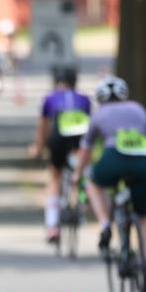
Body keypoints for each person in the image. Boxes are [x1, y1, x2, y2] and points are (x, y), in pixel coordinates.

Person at [73, 76, 146, 292]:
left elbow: (86, 150)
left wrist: (77, 174)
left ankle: (104, 224)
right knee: (144, 219)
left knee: (93, 182)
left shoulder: (98, 114)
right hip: (144, 163)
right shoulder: (138, 109)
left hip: (114, 158)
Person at [32, 66, 91, 243]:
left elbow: (43, 126)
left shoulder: (50, 98)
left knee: (55, 177)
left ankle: (52, 226)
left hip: (58, 136)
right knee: (81, 173)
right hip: (78, 138)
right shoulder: (85, 99)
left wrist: (39, 147)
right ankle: (81, 204)